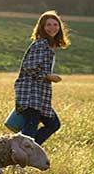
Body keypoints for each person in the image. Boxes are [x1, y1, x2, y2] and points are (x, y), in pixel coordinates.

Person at [13, 10, 68, 145]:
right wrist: (49, 77)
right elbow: (30, 67)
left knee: (53, 124)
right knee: (31, 128)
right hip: (31, 94)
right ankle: (20, 155)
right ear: (42, 27)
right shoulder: (41, 44)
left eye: (55, 24)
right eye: (48, 25)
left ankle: (28, 152)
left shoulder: (47, 45)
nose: (52, 28)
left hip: (39, 95)